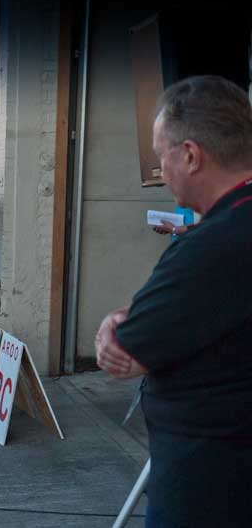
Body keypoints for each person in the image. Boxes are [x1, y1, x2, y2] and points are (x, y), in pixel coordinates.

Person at [96, 75, 252, 527]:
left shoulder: (214, 245)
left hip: (211, 480)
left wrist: (116, 322)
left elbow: (128, 348)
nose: (160, 170)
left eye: (160, 154)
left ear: (189, 155)